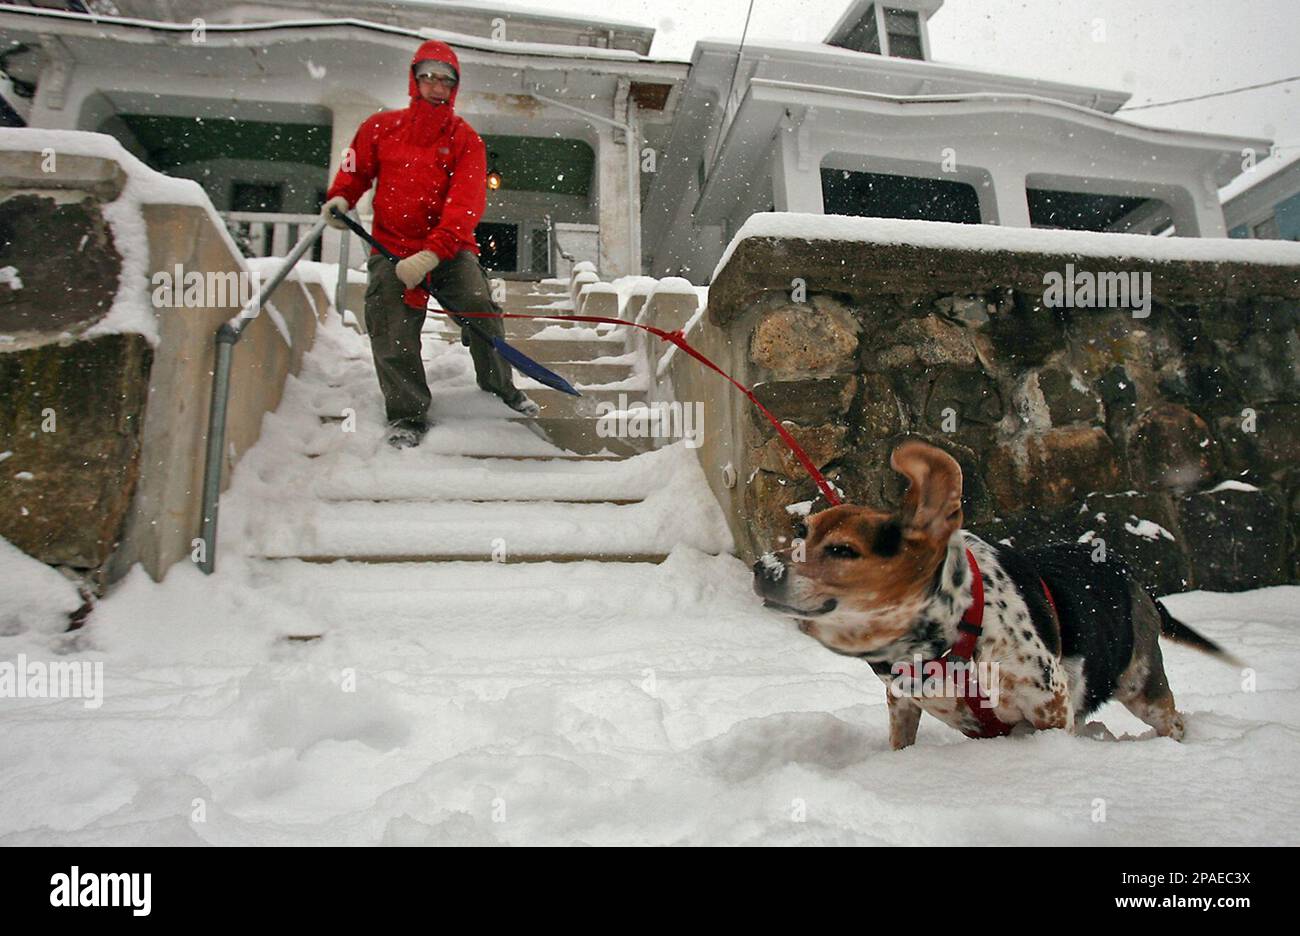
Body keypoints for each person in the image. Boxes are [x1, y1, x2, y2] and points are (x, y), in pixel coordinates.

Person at [321, 39, 539, 449]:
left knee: (481, 311)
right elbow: (355, 169)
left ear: (454, 87)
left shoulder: (465, 140)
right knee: (391, 326)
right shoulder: (379, 128)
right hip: (390, 246)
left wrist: (431, 253)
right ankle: (406, 414)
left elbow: (466, 205)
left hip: (451, 249)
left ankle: (500, 391)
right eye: (429, 77)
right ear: (414, 80)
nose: (437, 86)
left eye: (446, 80)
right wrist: (340, 197)